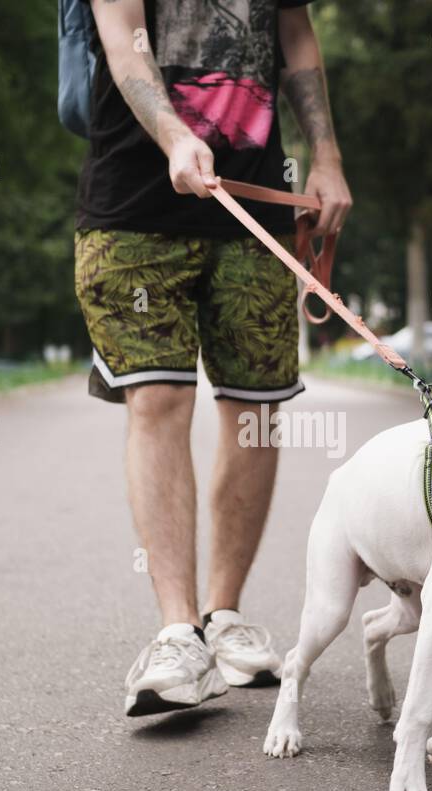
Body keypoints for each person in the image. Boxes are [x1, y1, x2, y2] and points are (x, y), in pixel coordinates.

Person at [75, 0, 351, 716]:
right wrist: (172, 134)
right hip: (135, 202)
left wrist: (327, 157)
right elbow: (126, 41)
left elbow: (293, 32)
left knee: (256, 408)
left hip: (256, 205)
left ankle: (223, 616)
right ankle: (177, 632)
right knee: (159, 398)